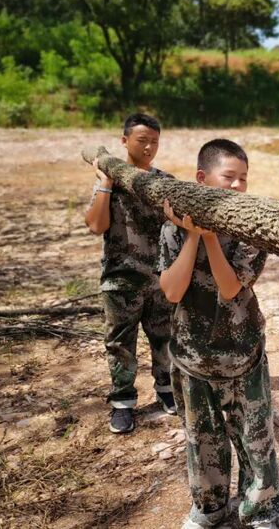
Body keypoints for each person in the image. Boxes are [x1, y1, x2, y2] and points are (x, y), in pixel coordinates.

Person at [158, 139, 279, 529]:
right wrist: (193, 234)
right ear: (201, 178)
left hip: (242, 353)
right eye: (229, 177)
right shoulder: (173, 231)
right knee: (201, 439)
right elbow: (172, 291)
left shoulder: (250, 230)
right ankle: (210, 507)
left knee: (255, 439)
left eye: (243, 179)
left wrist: (211, 237)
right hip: (192, 357)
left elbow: (230, 288)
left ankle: (261, 510)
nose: (237, 187)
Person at [84, 112, 175, 434]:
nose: (149, 147)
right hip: (120, 279)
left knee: (165, 340)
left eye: (154, 142)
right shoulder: (110, 180)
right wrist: (107, 182)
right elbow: (96, 225)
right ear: (124, 142)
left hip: (160, 279)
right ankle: (123, 403)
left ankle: (167, 390)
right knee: (120, 345)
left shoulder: (165, 183)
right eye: (142, 141)